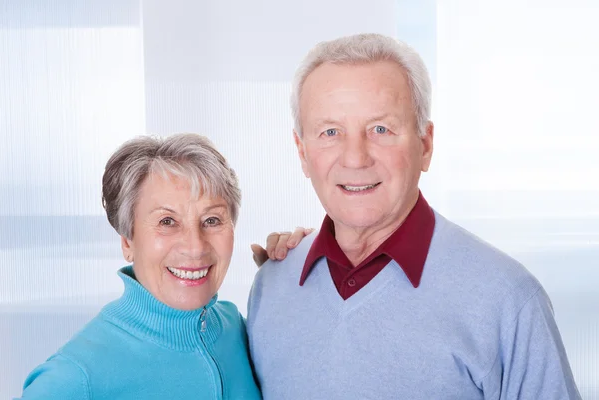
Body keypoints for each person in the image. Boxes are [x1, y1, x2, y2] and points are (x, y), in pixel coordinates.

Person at [247, 33, 582, 399]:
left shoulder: (509, 300)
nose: (355, 158)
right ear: (302, 152)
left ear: (425, 144)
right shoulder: (272, 286)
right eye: (330, 132)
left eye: (380, 129)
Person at [18, 133, 262, 399]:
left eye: (212, 220)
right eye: (167, 221)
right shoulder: (77, 375)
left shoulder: (234, 328)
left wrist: (293, 266)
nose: (195, 247)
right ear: (127, 241)